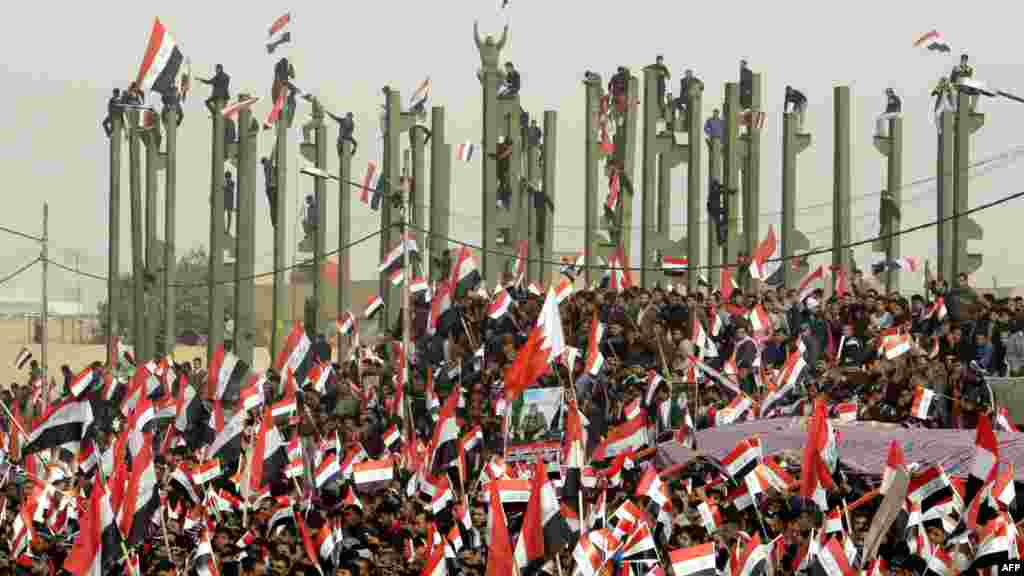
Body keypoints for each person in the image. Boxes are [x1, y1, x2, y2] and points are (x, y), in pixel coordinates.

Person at [261, 156, 278, 228]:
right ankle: (274, 222)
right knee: (273, 206)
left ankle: (274, 222)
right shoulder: (267, 166)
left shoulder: (268, 167)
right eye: (267, 161)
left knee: (274, 206)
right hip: (271, 188)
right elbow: (271, 158)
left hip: (272, 188)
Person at [223, 171, 235, 236]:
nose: (227, 179)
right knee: (223, 214)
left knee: (229, 215)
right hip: (225, 200)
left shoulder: (232, 182)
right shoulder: (224, 182)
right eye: (226, 177)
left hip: (230, 200)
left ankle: (227, 230)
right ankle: (224, 228)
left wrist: (225, 187)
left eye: (228, 177)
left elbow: (231, 189)